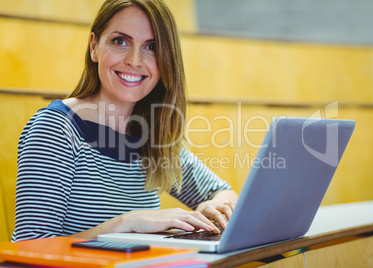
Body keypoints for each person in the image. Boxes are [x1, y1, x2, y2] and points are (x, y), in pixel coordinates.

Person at [12, 0, 238, 242]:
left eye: (151, 47)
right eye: (120, 41)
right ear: (94, 47)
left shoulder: (152, 135)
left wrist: (211, 207)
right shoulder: (55, 128)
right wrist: (126, 223)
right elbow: (30, 247)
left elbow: (225, 193)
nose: (134, 60)